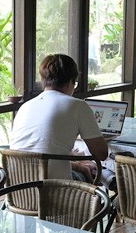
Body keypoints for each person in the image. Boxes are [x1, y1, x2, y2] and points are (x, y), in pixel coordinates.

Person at [9, 53, 108, 181]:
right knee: (92, 172)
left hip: (17, 189)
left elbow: (40, 156)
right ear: (70, 82)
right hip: (56, 189)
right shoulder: (77, 106)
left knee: (82, 168)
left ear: (43, 81)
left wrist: (77, 165)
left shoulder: (25, 107)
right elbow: (101, 154)